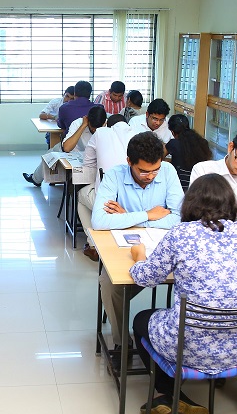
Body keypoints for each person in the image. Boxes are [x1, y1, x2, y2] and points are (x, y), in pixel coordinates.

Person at [131, 173, 237, 414]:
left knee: (141, 319)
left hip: (185, 347)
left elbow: (146, 278)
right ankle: (175, 397)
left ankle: (168, 394)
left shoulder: (180, 234)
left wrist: (139, 256)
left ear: (191, 203)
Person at [91, 132, 183, 358]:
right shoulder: (114, 175)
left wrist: (129, 218)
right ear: (129, 161)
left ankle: (176, 343)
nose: (150, 176)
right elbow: (99, 221)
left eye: (155, 170)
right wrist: (149, 215)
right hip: (126, 250)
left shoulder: (168, 171)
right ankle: (122, 343)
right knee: (109, 284)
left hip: (162, 250)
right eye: (143, 171)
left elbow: (180, 218)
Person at [78, 114, 137, 260]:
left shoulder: (101, 133)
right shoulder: (138, 133)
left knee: (82, 196)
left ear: (107, 125)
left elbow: (88, 165)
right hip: (135, 203)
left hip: (109, 203)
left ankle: (93, 245)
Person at [22, 105, 107, 187]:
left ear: (104, 122)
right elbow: (66, 148)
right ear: (87, 120)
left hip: (94, 157)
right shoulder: (78, 123)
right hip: (75, 152)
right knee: (50, 155)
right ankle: (36, 179)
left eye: (97, 128)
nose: (94, 130)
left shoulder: (108, 126)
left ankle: (35, 178)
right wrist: (83, 126)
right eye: (92, 128)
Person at [165, 114, 212, 191]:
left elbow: (158, 158)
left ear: (172, 132)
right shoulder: (203, 142)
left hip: (178, 186)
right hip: (198, 185)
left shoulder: (174, 143)